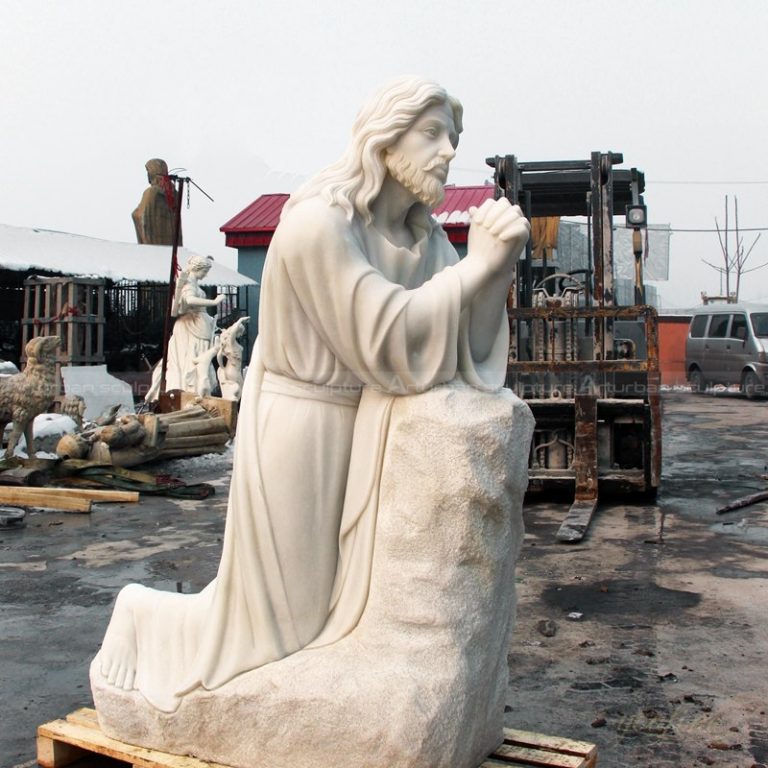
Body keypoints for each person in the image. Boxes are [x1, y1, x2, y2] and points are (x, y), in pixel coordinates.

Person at [94, 76, 530, 712]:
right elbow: (388, 341)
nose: (447, 153)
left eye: (454, 140)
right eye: (433, 135)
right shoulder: (318, 226)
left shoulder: (426, 237)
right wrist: (476, 267)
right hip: (303, 428)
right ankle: (142, 616)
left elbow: (464, 348)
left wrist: (497, 270)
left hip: (372, 433)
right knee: (273, 631)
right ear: (385, 140)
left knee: (326, 621)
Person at [144, 255, 225, 402]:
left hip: (197, 325)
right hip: (190, 326)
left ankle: (196, 391)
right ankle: (189, 392)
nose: (206, 275)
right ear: (198, 268)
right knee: (190, 360)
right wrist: (213, 302)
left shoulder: (192, 282)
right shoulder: (188, 282)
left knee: (198, 358)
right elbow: (189, 300)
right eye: (205, 271)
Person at [131, 158, 181, 246]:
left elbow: (139, 215)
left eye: (148, 171)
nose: (147, 175)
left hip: (154, 242)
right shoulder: (174, 193)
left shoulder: (151, 192)